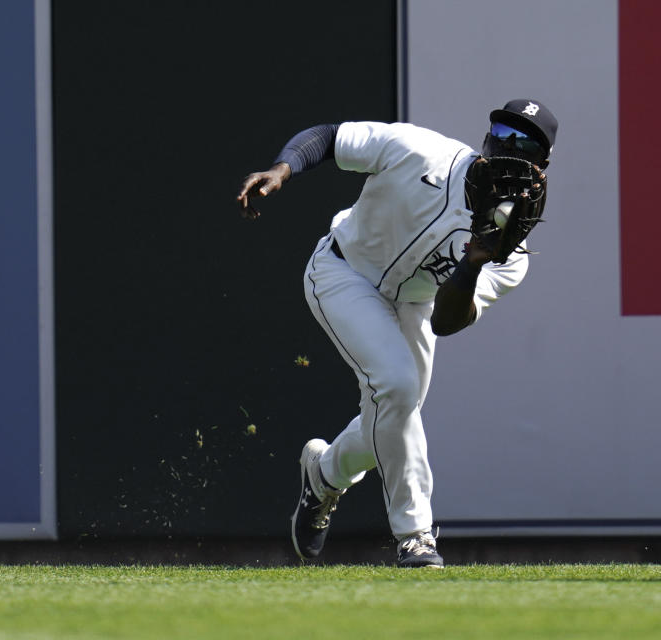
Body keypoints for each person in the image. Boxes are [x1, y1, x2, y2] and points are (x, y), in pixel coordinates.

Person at [237, 99, 557, 568]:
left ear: (541, 166)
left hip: (417, 305)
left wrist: (473, 261)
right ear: (486, 138)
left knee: (392, 417)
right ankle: (415, 535)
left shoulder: (512, 255)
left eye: (524, 143)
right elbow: (329, 136)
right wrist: (282, 170)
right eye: (502, 134)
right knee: (399, 389)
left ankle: (323, 476)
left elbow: (446, 323)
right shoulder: (420, 150)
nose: (509, 148)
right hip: (343, 273)